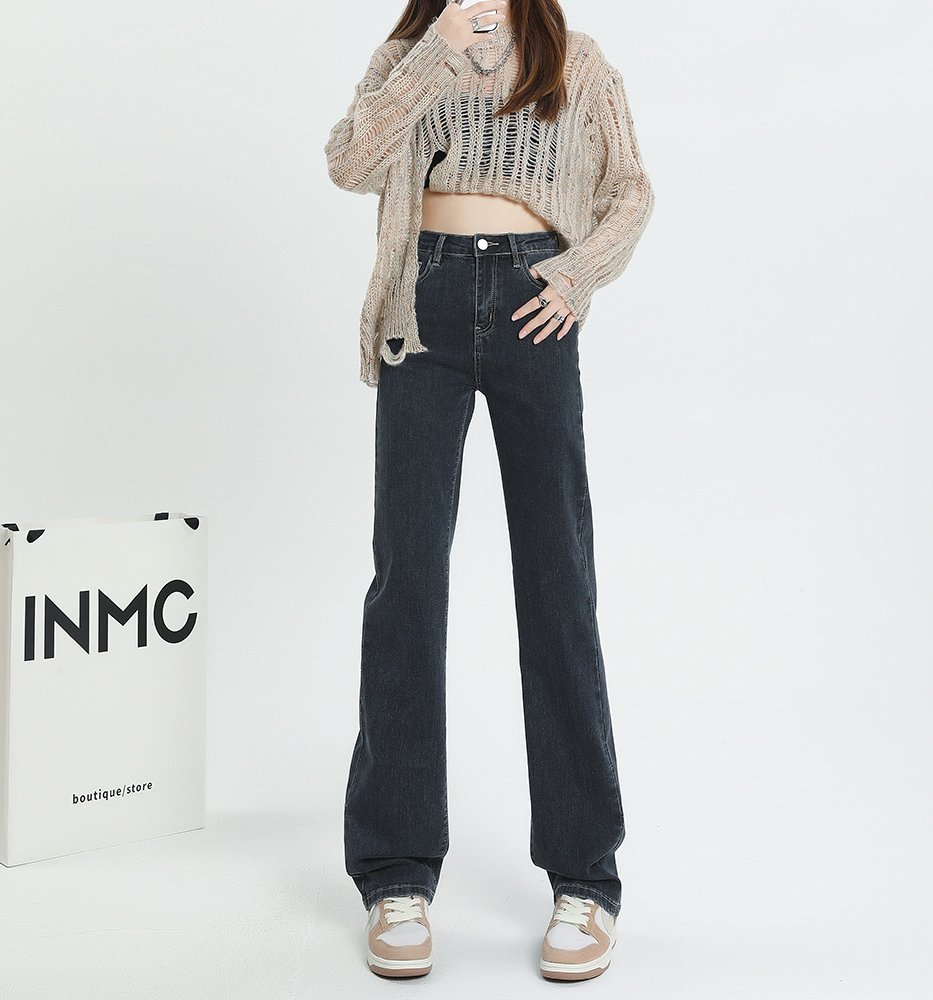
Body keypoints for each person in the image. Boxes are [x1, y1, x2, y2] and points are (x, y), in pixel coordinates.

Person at [325, 0, 653, 981]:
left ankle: (585, 877)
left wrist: (578, 274)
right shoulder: (408, 52)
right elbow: (348, 163)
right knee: (407, 582)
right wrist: (428, 60)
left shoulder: (575, 59)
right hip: (419, 305)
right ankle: (396, 870)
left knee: (557, 582)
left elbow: (630, 189)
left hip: (533, 306)